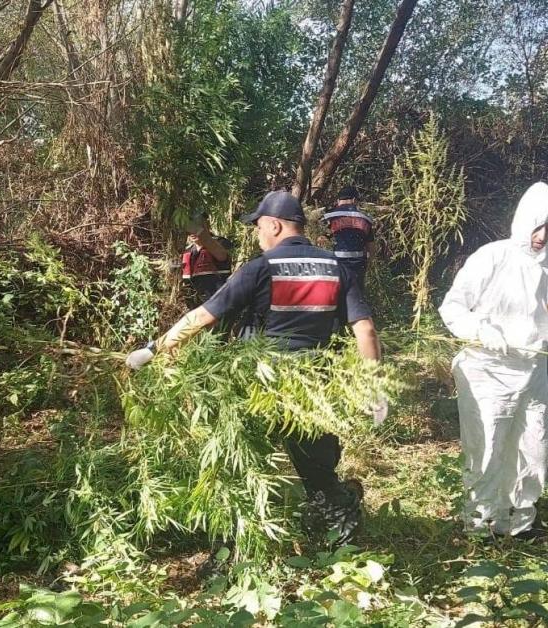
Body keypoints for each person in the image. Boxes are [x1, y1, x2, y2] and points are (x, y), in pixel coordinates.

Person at [127, 191, 383, 544]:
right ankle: (341, 535)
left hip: (261, 382)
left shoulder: (261, 268)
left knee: (241, 461)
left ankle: (236, 544)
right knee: (317, 468)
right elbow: (365, 329)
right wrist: (372, 386)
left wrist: (153, 350)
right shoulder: (335, 267)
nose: (257, 235)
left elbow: (202, 317)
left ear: (274, 224)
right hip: (316, 384)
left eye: (259, 227)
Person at [438, 182, 548, 540]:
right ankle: (481, 524)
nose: (542, 235)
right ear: (522, 222)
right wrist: (479, 329)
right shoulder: (492, 257)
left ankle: (520, 522)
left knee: (533, 446)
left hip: (532, 371)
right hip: (487, 369)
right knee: (487, 446)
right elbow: (453, 306)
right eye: (537, 226)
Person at [322, 186, 376, 288]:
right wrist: (368, 264)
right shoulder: (365, 219)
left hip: (335, 264)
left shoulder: (328, 218)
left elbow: (320, 241)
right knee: (356, 296)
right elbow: (371, 248)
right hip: (357, 266)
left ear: (338, 200)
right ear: (354, 200)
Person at [181, 212, 234, 305]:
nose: (192, 231)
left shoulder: (220, 243)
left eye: (198, 224)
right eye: (189, 227)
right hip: (195, 308)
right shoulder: (186, 252)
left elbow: (221, 255)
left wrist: (200, 232)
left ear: (207, 224)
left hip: (218, 304)